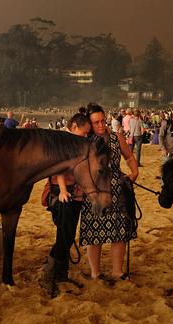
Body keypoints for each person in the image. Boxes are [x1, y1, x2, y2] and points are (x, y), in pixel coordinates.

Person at [79, 103, 138, 282]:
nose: (100, 125)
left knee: (119, 231)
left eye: (103, 120)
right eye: (96, 122)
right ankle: (95, 273)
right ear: (89, 123)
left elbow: (129, 156)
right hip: (93, 193)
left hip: (117, 189)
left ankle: (117, 271)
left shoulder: (116, 137)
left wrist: (134, 172)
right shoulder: (85, 141)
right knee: (94, 234)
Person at [40, 112, 92, 294]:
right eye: (84, 132)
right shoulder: (62, 141)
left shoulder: (77, 143)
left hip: (76, 194)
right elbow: (58, 167)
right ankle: (48, 276)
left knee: (68, 236)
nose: (85, 136)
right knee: (63, 236)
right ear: (74, 127)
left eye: (88, 134)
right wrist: (62, 190)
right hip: (61, 193)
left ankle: (61, 273)